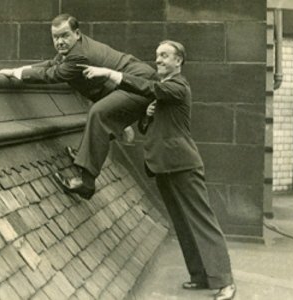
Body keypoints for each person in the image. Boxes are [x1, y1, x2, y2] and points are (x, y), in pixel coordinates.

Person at [78, 40, 236, 300]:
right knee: (183, 223)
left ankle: (225, 282)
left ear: (178, 61)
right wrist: (148, 115)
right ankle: (200, 276)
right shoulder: (162, 92)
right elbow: (146, 128)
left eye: (165, 56)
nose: (158, 60)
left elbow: (147, 86)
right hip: (163, 166)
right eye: (157, 56)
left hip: (183, 165)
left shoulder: (178, 86)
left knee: (202, 222)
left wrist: (110, 73)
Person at [0, 14, 156, 200]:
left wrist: (16, 73)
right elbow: (51, 63)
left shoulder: (79, 55)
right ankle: (88, 152)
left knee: (99, 114)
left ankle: (87, 183)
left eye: (64, 36)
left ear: (77, 33)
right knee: (103, 114)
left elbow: (51, 75)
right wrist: (17, 70)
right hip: (129, 84)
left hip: (138, 84)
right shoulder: (74, 49)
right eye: (55, 37)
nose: (60, 42)